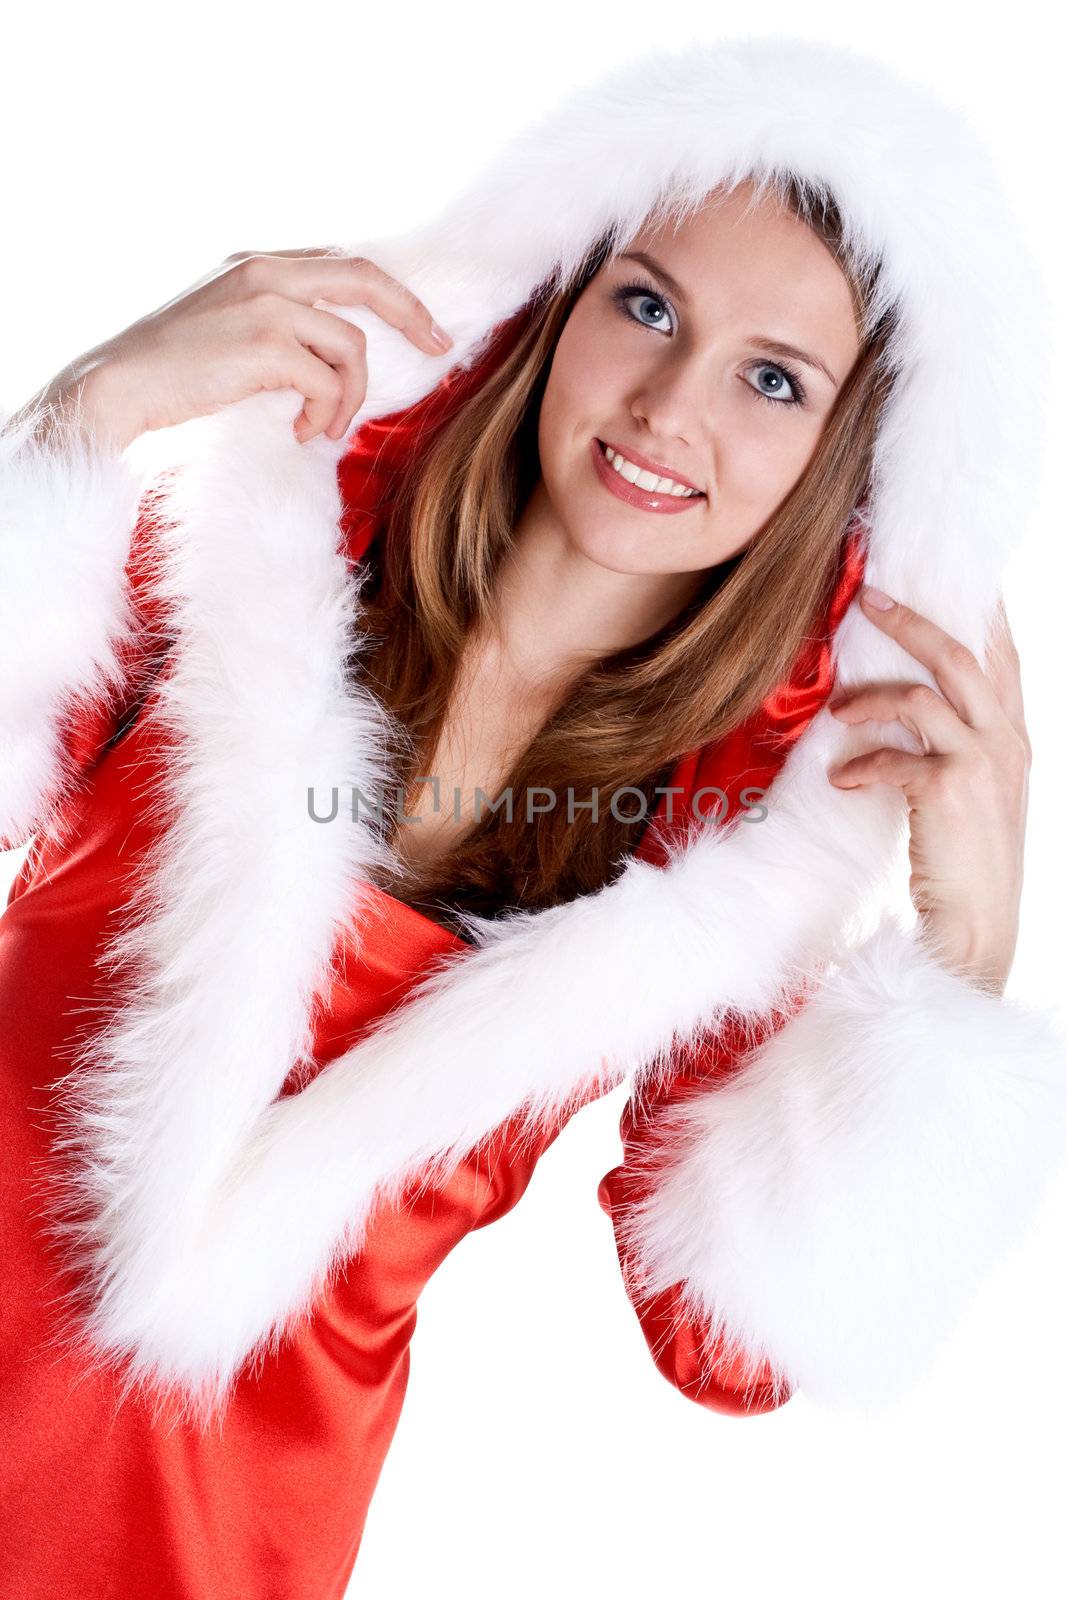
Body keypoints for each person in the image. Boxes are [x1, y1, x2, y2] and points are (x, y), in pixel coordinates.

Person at [2, 34, 1065, 1600]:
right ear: (559, 297)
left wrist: (965, 947)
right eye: (646, 304)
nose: (667, 408)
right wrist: (76, 428)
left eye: (774, 380)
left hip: (214, 1535)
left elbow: (725, 1349)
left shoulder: (720, 880)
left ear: (842, 468)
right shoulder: (236, 563)